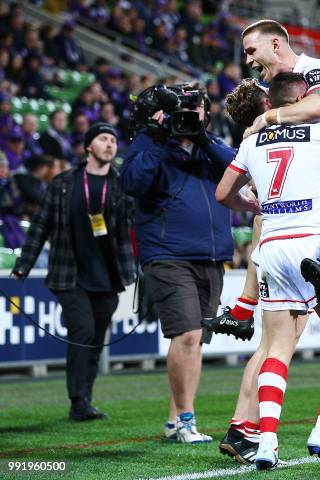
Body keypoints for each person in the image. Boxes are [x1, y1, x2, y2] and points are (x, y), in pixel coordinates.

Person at [215, 72, 320, 470]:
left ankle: (266, 442)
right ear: (303, 99)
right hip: (312, 242)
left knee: (276, 350)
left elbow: (223, 194)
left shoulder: (250, 140)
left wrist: (255, 207)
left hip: (271, 249)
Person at [206, 19, 320, 341]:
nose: (247, 61)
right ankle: (244, 309)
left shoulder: (314, 69)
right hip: (314, 173)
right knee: (267, 218)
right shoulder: (278, 87)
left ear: (275, 45)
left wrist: (267, 118)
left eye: (251, 51)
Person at [120, 82, 238, 444]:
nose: (189, 116)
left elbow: (241, 170)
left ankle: (175, 420)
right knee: (186, 334)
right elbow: (133, 183)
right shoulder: (149, 141)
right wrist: (156, 139)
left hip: (212, 256)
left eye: (196, 109)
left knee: (196, 340)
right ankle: (187, 421)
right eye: (182, 111)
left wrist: (201, 139)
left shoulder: (210, 146)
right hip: (168, 254)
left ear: (205, 113)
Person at [12, 123, 137, 421]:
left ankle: (85, 399)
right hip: (70, 275)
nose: (109, 144)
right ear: (88, 147)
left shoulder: (122, 185)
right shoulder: (64, 182)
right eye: (103, 139)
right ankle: (77, 399)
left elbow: (137, 224)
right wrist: (23, 266)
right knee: (82, 331)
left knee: (95, 339)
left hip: (108, 276)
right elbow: (40, 226)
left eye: (113, 140)